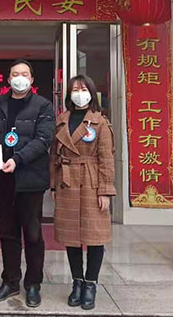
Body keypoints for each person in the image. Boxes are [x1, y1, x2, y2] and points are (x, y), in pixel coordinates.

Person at [0, 59, 55, 308]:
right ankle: (10, 281)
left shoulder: (43, 105)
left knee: (33, 234)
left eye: (24, 74)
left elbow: (43, 140)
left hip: (30, 180)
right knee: (7, 233)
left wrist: (18, 159)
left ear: (31, 80)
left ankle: (33, 284)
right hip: (2, 179)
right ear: (8, 79)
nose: (20, 78)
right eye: (15, 74)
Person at [50, 75, 116, 311]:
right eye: (75, 89)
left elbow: (106, 159)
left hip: (91, 182)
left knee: (95, 235)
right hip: (67, 182)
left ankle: (91, 283)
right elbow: (54, 157)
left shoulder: (100, 122)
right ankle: (77, 281)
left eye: (83, 88)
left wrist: (105, 191)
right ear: (69, 94)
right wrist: (54, 185)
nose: (79, 93)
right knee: (71, 236)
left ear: (92, 92)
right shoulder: (62, 120)